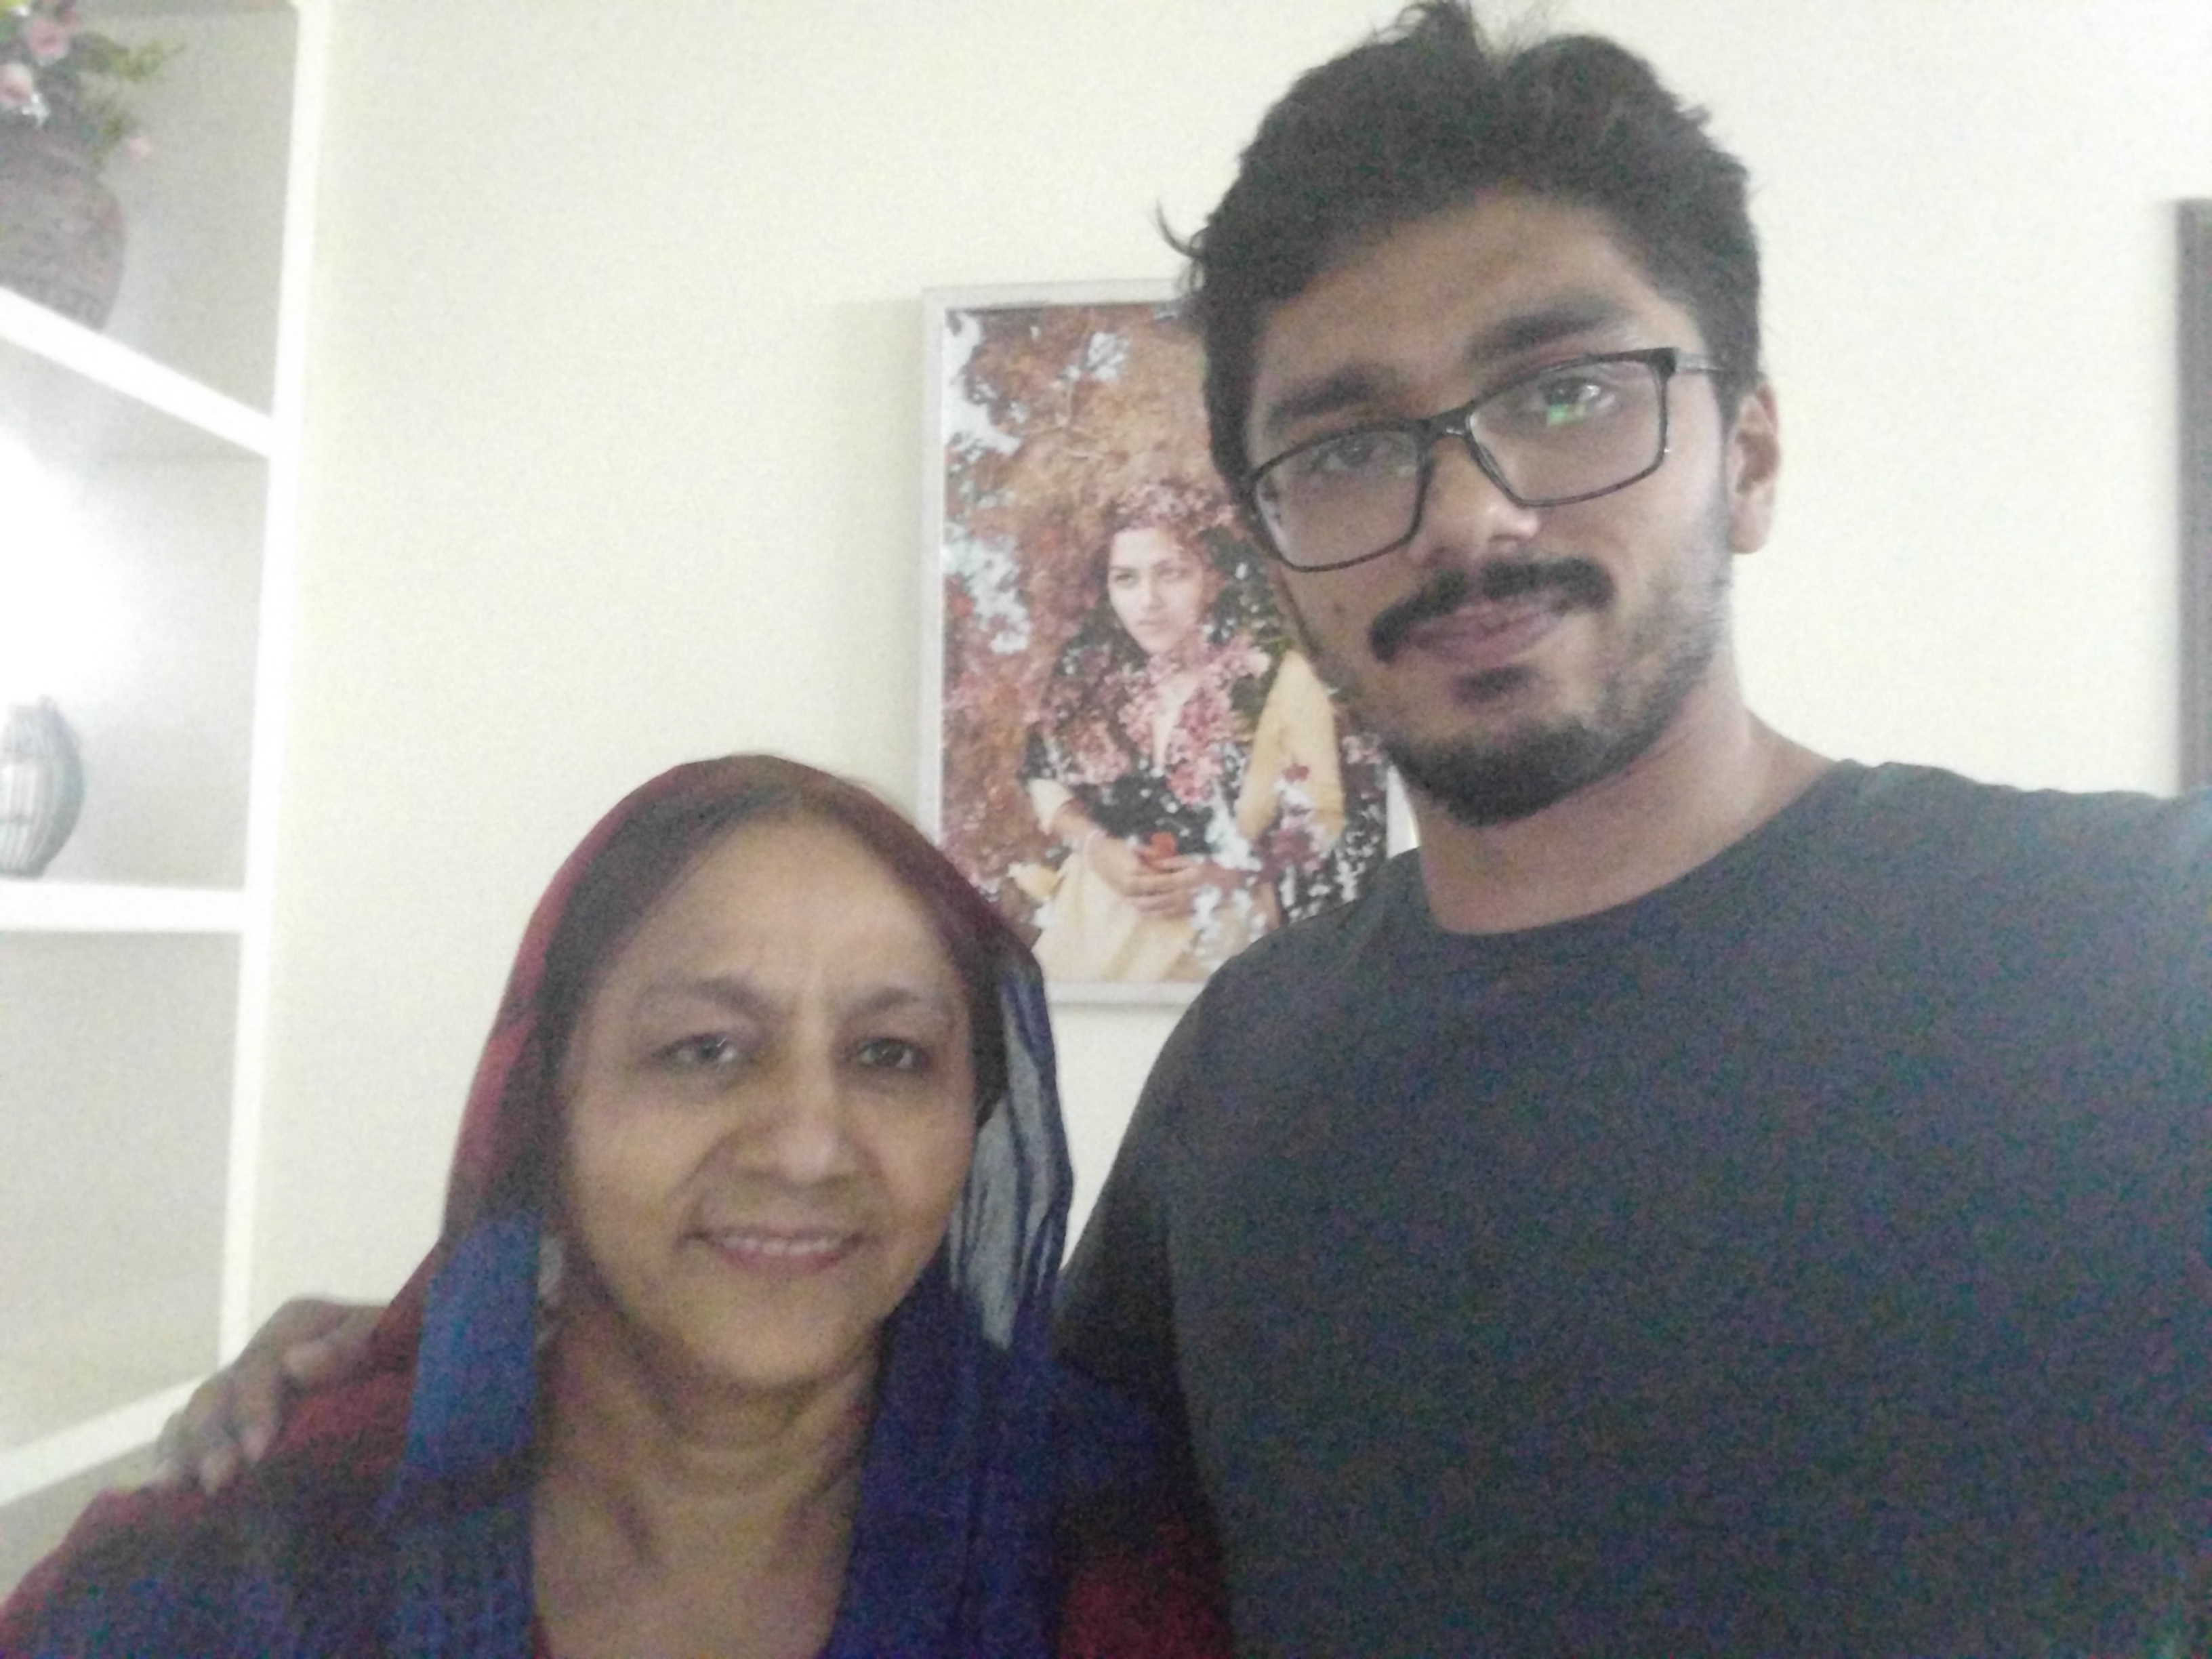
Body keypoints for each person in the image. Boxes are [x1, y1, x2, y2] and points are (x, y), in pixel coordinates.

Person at [133, 5, 2212, 1654]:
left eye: (1567, 390)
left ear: (1744, 450)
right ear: (1268, 548)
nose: (1469, 513)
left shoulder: (2143, 955)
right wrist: (412, 1370)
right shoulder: (1254, 1066)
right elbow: (954, 1447)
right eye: (1345, 445)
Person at [0, 756, 1225, 1657]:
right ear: (545, 1104)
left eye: (891, 1055)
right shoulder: (253, 1562)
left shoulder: (1100, 1560)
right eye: (704, 1048)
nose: (807, 1145)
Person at [1018, 480, 1366, 985]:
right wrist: (1095, 846)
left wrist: (1232, 875)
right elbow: (1043, 771)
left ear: (1213, 575)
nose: (1148, 601)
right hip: (1089, 929)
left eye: (1172, 573)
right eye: (1126, 579)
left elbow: (1323, 814)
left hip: (1212, 937)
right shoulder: (1092, 666)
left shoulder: (1280, 677)